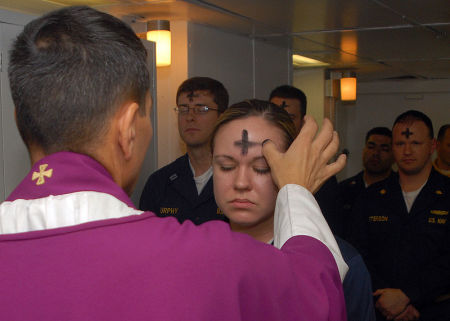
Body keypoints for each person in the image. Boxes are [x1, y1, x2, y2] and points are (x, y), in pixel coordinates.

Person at [0, 6, 349, 320]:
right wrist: (296, 189)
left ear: (20, 120)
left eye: (259, 168)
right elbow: (316, 296)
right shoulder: (203, 260)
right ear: (127, 128)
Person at [211, 99, 376, 321]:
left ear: (294, 169)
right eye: (226, 166)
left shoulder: (339, 263)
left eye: (262, 168)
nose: (241, 183)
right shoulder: (197, 250)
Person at [349, 110, 450, 321]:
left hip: (437, 310)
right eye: (399, 144)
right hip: (381, 307)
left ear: (432, 146)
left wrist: (408, 296)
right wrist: (387, 299)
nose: (407, 151)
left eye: (415, 143)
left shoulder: (447, 194)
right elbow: (358, 253)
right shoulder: (371, 198)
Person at [140, 77, 229, 224]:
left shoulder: (237, 181)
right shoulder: (160, 183)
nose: (190, 117)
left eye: (201, 109)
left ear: (222, 116)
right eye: (183, 109)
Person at [270, 85, 343, 236]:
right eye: (275, 115)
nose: (281, 123)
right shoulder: (250, 162)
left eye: (290, 118)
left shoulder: (317, 169)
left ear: (302, 123)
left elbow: (328, 227)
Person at [339, 127, 394, 238]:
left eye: (384, 149)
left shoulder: (400, 190)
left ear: (394, 155)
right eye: (371, 147)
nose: (376, 153)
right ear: (364, 150)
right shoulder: (344, 189)